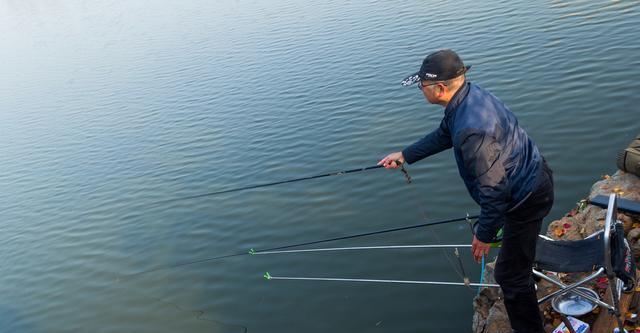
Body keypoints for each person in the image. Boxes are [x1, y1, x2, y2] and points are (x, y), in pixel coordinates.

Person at [378, 49, 554, 333]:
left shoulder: (473, 130)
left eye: (422, 86)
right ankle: (524, 268)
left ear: (440, 88)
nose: (420, 90)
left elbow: (495, 190)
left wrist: (483, 234)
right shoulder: (469, 98)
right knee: (514, 259)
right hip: (530, 179)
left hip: (526, 197)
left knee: (509, 277)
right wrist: (406, 154)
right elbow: (444, 134)